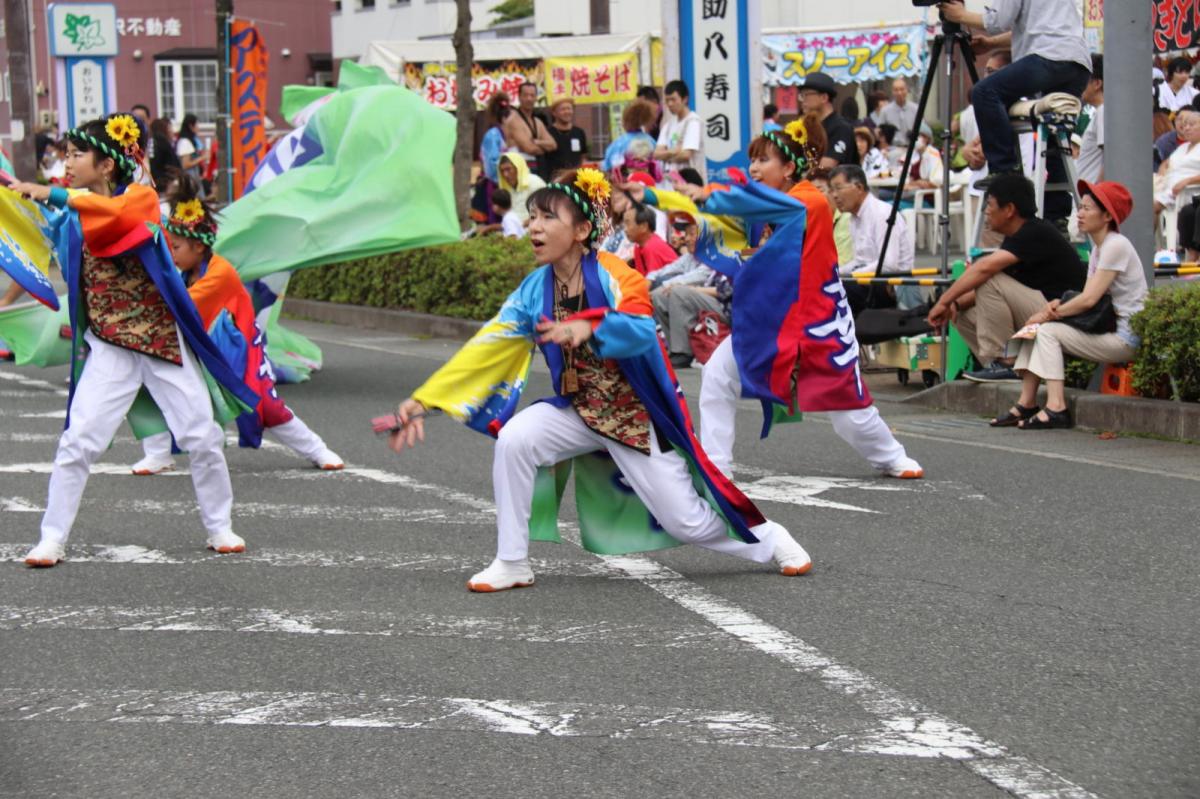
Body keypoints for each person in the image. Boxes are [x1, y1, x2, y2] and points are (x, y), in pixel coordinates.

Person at [387, 167, 814, 592]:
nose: (534, 226)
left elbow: (642, 328)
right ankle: (512, 560)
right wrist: (426, 401)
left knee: (686, 522)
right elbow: (489, 344)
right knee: (516, 439)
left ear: (582, 230)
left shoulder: (615, 273)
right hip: (579, 409)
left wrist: (593, 325)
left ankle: (770, 540)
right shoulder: (535, 289)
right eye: (532, 216)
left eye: (548, 217)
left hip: (635, 415)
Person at [8, 114, 258, 568]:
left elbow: (115, 219)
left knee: (202, 436)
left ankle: (219, 526)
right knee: (78, 441)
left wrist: (55, 193)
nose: (67, 162)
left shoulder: (141, 200)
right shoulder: (71, 215)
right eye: (66, 154)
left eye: (77, 154)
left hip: (162, 342)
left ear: (107, 166)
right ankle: (52, 538)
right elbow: (46, 240)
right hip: (110, 346)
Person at [631, 116, 924, 481]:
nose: (753, 166)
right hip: (769, 323)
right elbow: (713, 218)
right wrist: (658, 196)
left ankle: (890, 456)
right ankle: (716, 466)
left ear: (788, 168)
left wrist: (709, 195)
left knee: (847, 410)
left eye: (764, 159)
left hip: (817, 324)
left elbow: (742, 205)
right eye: (752, 159)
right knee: (718, 375)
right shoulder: (758, 211)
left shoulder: (810, 202)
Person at [134, 185, 344, 473]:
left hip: (238, 349)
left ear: (198, 246)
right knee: (152, 381)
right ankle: (158, 453)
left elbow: (177, 305)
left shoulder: (219, 273)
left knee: (265, 406)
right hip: (203, 349)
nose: (171, 253)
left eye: (176, 247)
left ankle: (318, 450)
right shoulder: (183, 271)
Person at [998, 181, 1147, 429]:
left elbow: (1089, 300)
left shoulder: (1115, 245)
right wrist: (1055, 307)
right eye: (1081, 207)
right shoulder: (1100, 248)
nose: (1080, 213)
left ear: (1108, 215)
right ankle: (1026, 402)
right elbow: (1088, 295)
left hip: (1125, 338)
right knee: (1038, 330)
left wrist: (1047, 314)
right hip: (1112, 330)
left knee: (1047, 331)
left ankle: (1056, 407)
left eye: (1087, 208)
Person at [926, 174, 1086, 382]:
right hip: (1040, 312)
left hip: (1064, 317)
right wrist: (953, 305)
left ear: (1009, 209)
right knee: (961, 312)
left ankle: (1006, 362)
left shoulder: (1035, 232)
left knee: (989, 279)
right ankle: (999, 365)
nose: (986, 211)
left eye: (990, 204)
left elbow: (985, 270)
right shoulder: (1015, 238)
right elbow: (995, 294)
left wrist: (943, 301)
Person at [940, 0, 1090, 194]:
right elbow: (1037, 30)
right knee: (1054, 137)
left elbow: (996, 21)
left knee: (984, 92)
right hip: (1077, 62)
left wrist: (960, 15)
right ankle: (1057, 216)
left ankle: (1005, 170)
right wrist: (991, 44)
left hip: (1047, 57)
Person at [830, 164, 919, 311]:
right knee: (827, 285)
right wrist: (836, 273)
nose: (834, 195)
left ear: (858, 187)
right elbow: (860, 260)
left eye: (838, 188)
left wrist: (851, 276)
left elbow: (889, 265)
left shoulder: (881, 214)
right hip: (868, 282)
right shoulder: (854, 218)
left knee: (839, 290)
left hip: (892, 287)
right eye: (832, 190)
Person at [798, 72, 858, 169]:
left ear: (824, 98)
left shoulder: (841, 128)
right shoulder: (808, 127)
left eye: (806, 95)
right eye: (801, 95)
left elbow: (825, 168)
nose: (802, 100)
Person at [502, 82, 557, 180]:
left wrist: (537, 142)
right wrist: (544, 147)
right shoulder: (513, 119)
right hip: (518, 169)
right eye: (525, 95)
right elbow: (529, 148)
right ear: (519, 97)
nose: (529, 99)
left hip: (536, 168)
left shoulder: (537, 122)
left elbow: (553, 145)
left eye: (532, 95)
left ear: (536, 98)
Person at [654, 80, 705, 182]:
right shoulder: (668, 125)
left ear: (685, 99)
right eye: (667, 100)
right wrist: (674, 151)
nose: (670, 104)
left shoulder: (693, 122)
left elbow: (686, 155)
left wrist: (666, 156)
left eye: (673, 99)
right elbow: (656, 154)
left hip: (690, 184)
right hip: (670, 183)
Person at [473, 92, 510, 225]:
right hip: (495, 184)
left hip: (508, 183)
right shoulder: (492, 135)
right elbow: (491, 165)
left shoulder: (509, 135)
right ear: (505, 119)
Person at [807, 168, 853, 267]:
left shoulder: (847, 219)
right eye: (810, 192)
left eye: (820, 190)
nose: (814, 196)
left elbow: (843, 262)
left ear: (833, 192)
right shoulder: (809, 223)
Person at [602, 99, 658, 173]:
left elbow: (607, 167)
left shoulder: (618, 144)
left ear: (625, 120)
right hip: (648, 182)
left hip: (625, 182)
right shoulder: (652, 141)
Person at [624, 202, 677, 276]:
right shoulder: (638, 246)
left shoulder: (652, 247)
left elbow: (653, 283)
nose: (625, 229)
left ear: (644, 226)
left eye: (628, 223)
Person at [1076, 54, 1104, 185]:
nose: (1079, 83)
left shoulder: (1104, 111)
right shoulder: (1102, 111)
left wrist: (1095, 195)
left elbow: (1109, 157)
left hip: (1092, 194)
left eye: (1083, 79)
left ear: (1097, 83)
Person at [497, 152, 546, 225]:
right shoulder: (508, 189)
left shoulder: (534, 182)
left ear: (518, 168)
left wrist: (520, 226)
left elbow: (544, 212)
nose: (505, 175)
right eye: (502, 171)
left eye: (508, 169)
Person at [543, 98, 587, 178]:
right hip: (553, 178)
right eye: (563, 109)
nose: (567, 112)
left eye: (569, 109)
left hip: (575, 177)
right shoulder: (547, 132)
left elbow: (583, 155)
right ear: (554, 113)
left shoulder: (579, 132)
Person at [879, 78, 919, 147]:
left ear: (907, 90)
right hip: (892, 149)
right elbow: (880, 133)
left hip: (912, 148)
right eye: (896, 90)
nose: (899, 93)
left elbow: (922, 130)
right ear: (892, 91)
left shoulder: (915, 109)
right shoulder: (885, 111)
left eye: (902, 89)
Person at [148, 117, 181, 188]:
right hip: (165, 183)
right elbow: (173, 164)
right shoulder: (162, 142)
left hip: (155, 182)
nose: (172, 131)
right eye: (169, 128)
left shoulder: (151, 141)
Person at [175, 113, 206, 184]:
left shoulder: (191, 140)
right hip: (189, 180)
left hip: (194, 178)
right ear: (191, 126)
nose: (198, 127)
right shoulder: (185, 142)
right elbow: (185, 164)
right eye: (196, 124)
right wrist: (202, 158)